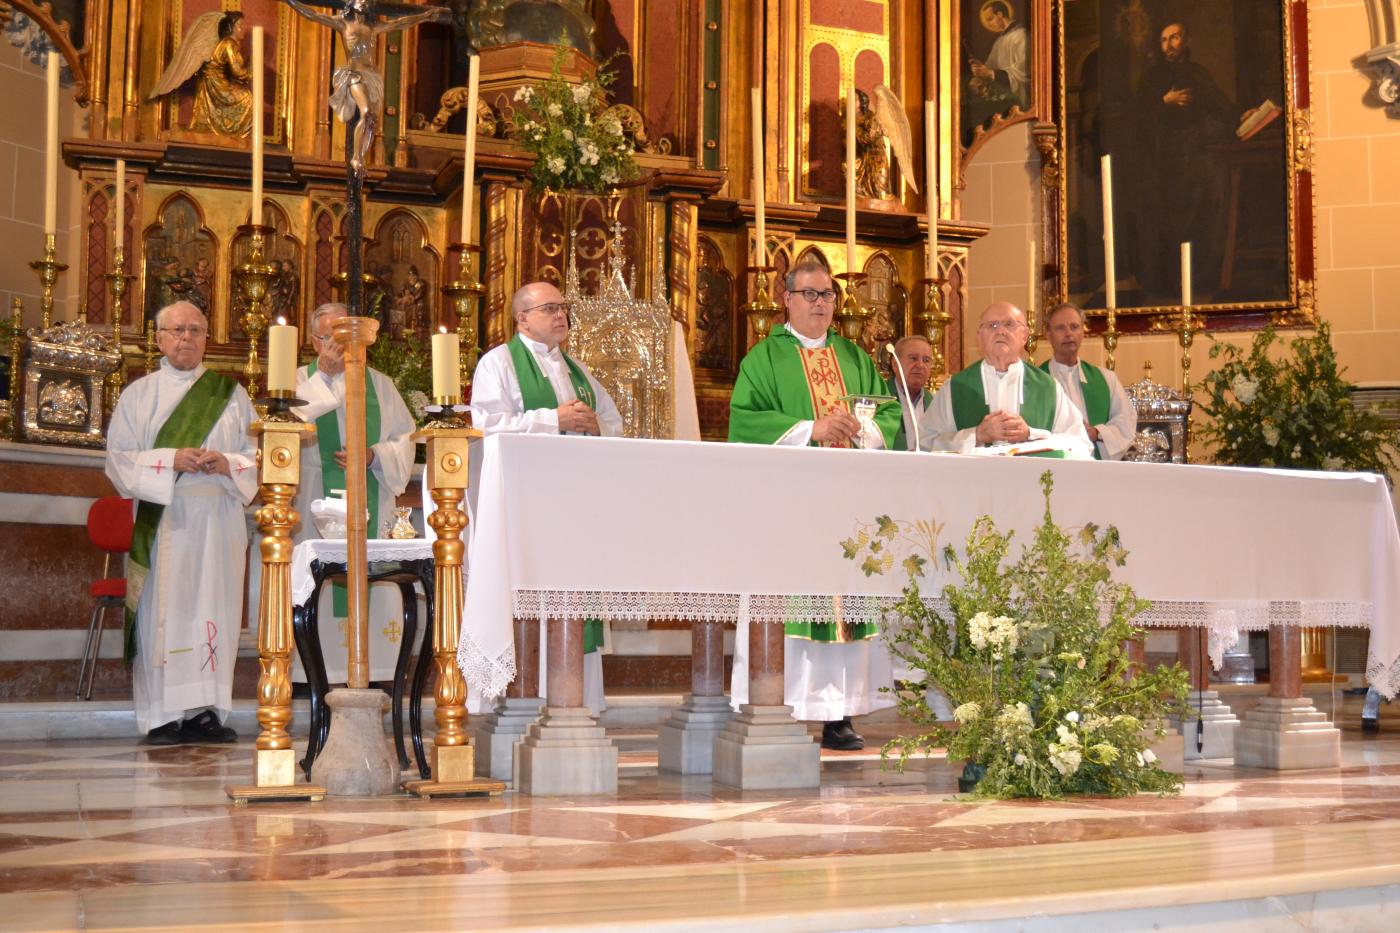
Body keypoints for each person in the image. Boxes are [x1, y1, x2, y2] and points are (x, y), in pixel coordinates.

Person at [728, 260, 904, 750]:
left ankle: (839, 713)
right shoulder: (763, 359)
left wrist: (859, 429)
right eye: (809, 294)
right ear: (786, 299)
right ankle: (780, 702)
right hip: (791, 505)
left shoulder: (856, 356)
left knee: (847, 598)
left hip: (849, 502)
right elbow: (745, 423)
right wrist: (812, 429)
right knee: (793, 601)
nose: (820, 304)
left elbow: (885, 415)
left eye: (827, 295)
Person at [106, 301, 257, 744]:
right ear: (159, 338)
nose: (185, 338)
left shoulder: (232, 396)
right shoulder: (139, 395)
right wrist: (172, 459)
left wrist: (225, 462)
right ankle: (161, 715)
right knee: (165, 613)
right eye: (176, 330)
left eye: (195, 330)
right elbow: (118, 461)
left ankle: (205, 712)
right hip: (165, 518)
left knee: (215, 609)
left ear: (207, 338)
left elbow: (260, 458)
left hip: (218, 519)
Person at [469, 281, 624, 714]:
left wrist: (595, 426)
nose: (561, 316)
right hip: (524, 506)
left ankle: (574, 700)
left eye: (564, 308)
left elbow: (612, 421)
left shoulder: (577, 370)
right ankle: (521, 701)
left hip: (575, 506)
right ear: (522, 318)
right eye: (550, 308)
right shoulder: (497, 364)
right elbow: (485, 426)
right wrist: (551, 419)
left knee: (573, 592)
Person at [292, 301, 417, 684]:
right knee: (316, 583)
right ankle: (312, 674)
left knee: (372, 579)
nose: (342, 347)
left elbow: (406, 439)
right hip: (315, 495)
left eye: (349, 338)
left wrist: (375, 455)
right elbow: (283, 431)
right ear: (315, 341)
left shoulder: (379, 384)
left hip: (371, 498)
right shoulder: (297, 379)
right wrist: (324, 379)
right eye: (332, 338)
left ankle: (376, 670)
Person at [1133, 20, 1239, 300]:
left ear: (1186, 40)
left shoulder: (1198, 73)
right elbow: (1137, 118)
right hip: (1164, 162)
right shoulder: (1152, 77)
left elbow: (1219, 105)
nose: (1169, 45)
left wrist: (1242, 116)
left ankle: (1200, 282)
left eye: (1175, 37)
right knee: (1170, 222)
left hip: (1196, 158)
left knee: (1201, 216)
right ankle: (1169, 285)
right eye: (1164, 40)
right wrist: (1163, 102)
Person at [927, 301, 1093, 459]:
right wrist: (976, 435)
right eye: (992, 325)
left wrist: (1031, 434)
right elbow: (926, 443)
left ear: (1024, 335)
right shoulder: (955, 387)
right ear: (979, 337)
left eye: (1009, 324)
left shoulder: (1048, 387)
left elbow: (1081, 445)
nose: (1000, 331)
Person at [1039, 303, 1137, 461]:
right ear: (1048, 335)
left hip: (1096, 469)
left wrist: (1097, 433)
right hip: (1053, 469)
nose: (1068, 333)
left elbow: (1126, 420)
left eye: (1074, 327)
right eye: (1060, 328)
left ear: (1083, 332)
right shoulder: (1036, 381)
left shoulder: (1106, 378)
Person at [969, 0, 1029, 110]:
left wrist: (991, 74)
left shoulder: (1021, 35)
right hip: (1004, 101)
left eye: (990, 19)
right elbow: (991, 65)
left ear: (1000, 14)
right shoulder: (999, 41)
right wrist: (981, 69)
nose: (988, 24)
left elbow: (1023, 71)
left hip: (1021, 99)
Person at [887, 334, 938, 452]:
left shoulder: (935, 402)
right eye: (913, 358)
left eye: (926, 360)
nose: (920, 365)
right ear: (895, 364)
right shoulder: (880, 399)